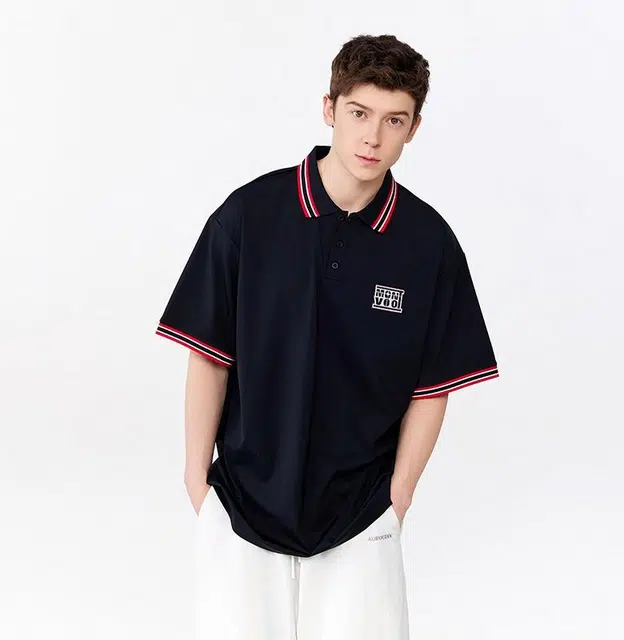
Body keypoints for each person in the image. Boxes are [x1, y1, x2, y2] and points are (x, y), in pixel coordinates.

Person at [155, 33, 499, 640]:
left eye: (394, 120)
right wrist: (196, 480)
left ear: (414, 129)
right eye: (359, 113)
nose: (373, 137)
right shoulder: (249, 216)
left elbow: (433, 387)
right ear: (329, 109)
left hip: (361, 514)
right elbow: (209, 356)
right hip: (240, 503)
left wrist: (397, 496)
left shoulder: (428, 244)